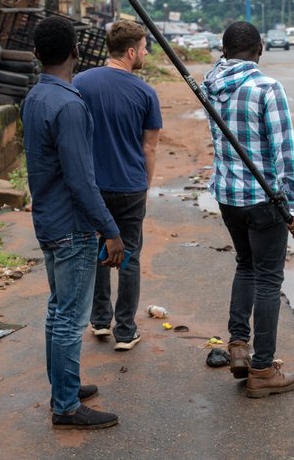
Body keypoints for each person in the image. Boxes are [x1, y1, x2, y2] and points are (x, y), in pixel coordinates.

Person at [22, 16, 124, 429]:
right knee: (68, 317)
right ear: (76, 53)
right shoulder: (68, 104)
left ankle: (63, 386)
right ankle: (65, 406)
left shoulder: (36, 97)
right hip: (72, 227)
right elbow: (82, 180)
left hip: (49, 221)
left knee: (57, 311)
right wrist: (111, 230)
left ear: (35, 55)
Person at [200, 21, 294, 398]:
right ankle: (262, 370)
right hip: (263, 202)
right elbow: (285, 155)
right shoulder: (266, 88)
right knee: (267, 279)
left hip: (228, 198)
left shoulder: (209, 86)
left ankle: (239, 346)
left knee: (246, 265)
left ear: (224, 50)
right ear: (259, 48)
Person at [74, 20, 162, 352]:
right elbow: (149, 148)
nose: (145, 52)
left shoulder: (80, 83)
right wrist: (145, 187)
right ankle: (125, 331)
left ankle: (99, 321)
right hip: (129, 188)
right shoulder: (145, 92)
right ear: (130, 51)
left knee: (99, 248)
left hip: (92, 187)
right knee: (129, 255)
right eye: (143, 47)